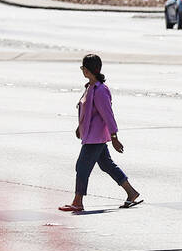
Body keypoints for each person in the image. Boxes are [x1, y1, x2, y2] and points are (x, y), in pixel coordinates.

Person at [61, 54, 142, 212]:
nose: (82, 70)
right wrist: (80, 127)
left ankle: (78, 201)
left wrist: (114, 137)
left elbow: (108, 115)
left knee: (82, 167)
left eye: (82, 68)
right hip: (91, 135)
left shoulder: (100, 90)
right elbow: (88, 111)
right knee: (107, 165)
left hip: (95, 137)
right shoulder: (90, 87)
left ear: (86, 69)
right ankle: (131, 193)